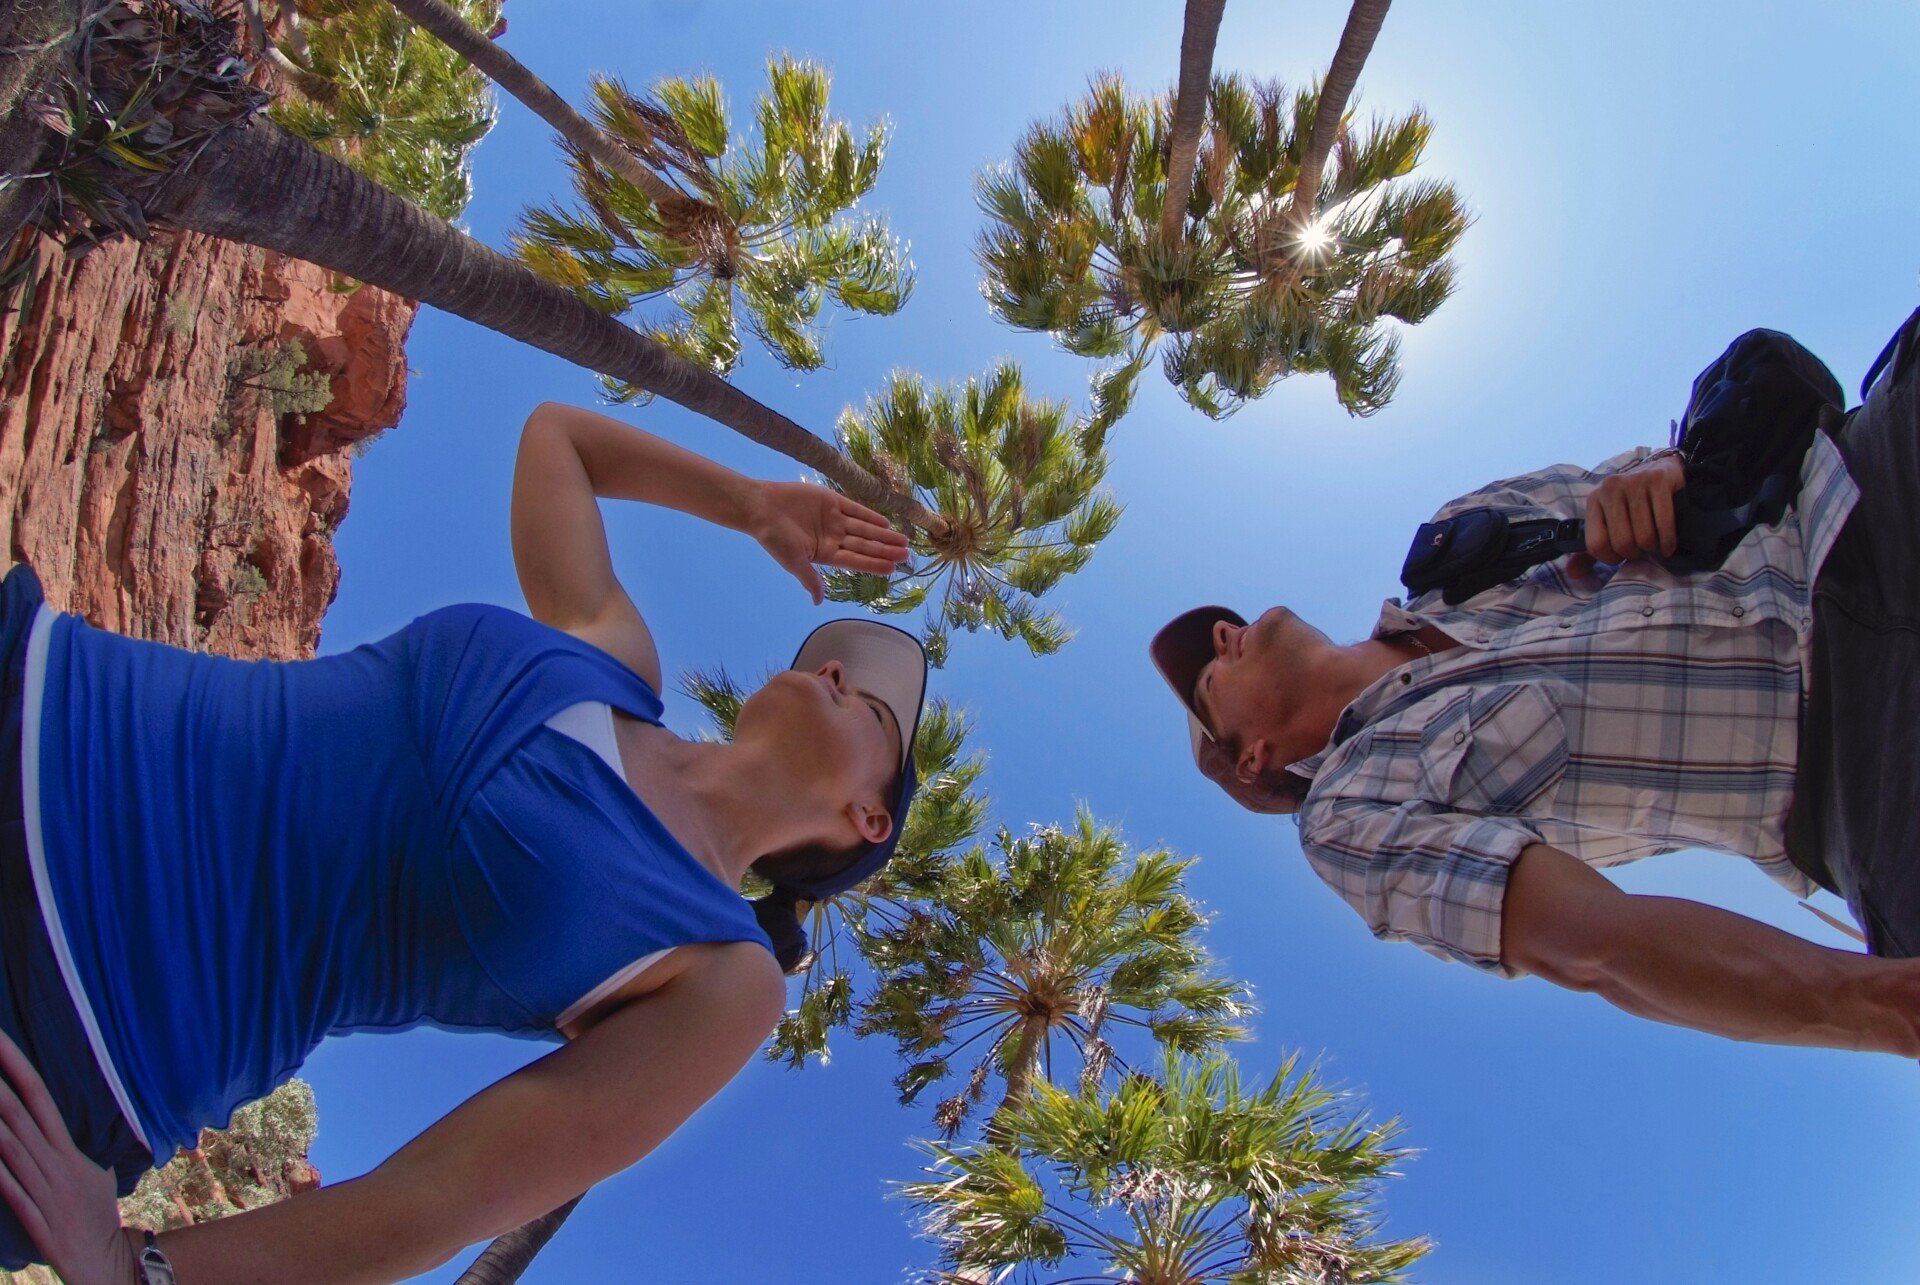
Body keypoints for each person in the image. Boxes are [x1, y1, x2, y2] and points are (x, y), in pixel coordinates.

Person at [0, 400, 925, 1282]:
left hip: (72, 1015)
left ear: (867, 819)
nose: (836, 668)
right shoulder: (614, 659)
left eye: (876, 710)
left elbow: (440, 1197)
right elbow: (559, 439)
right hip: (38, 689)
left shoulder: (724, 971)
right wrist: (753, 504)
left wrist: (137, 1271)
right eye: (830, 659)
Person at [1151, 306, 1920, 1058]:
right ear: (1254, 755)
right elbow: (1599, 945)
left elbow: (1692, 458)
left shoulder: (1460, 542)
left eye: (1215, 635)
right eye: (1210, 679)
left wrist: (1669, 469)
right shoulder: (1351, 816)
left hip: (1864, 496)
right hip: (1865, 774)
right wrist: (1884, 1007)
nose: (1224, 635)